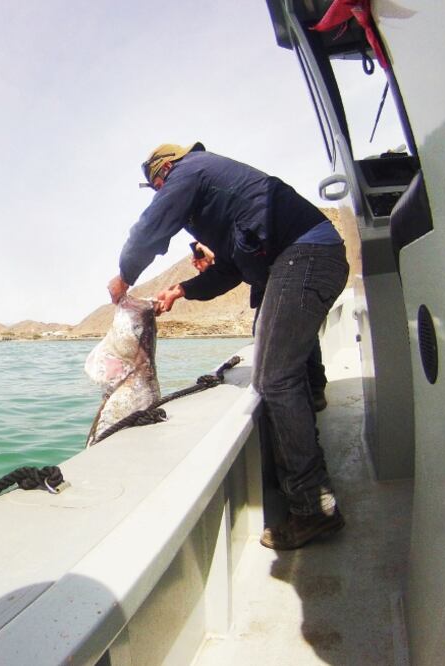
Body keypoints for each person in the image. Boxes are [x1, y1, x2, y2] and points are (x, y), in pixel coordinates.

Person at [107, 142, 349, 550]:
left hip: (305, 255)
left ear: (164, 172)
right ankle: (311, 431)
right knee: (281, 359)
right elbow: (232, 271)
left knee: (274, 378)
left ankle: (313, 507)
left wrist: (124, 276)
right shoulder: (217, 202)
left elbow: (151, 226)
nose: (161, 193)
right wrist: (181, 290)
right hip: (311, 256)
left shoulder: (191, 171)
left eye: (157, 185)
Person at [189, 240, 329, 411]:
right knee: (276, 328)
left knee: (290, 324)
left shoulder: (241, 226)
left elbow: (243, 256)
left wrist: (216, 254)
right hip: (276, 275)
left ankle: (312, 388)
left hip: (291, 269)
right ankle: (310, 387)